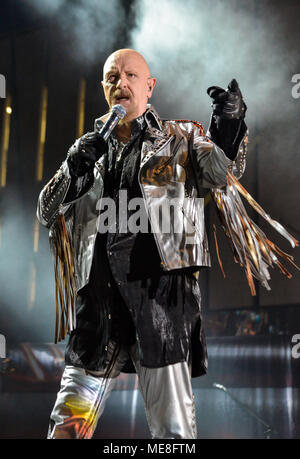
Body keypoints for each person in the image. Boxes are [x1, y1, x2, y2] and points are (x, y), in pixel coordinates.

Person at [37, 48, 248, 439]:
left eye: (132, 75)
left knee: (173, 431)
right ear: (104, 87)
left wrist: (229, 126)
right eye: (112, 77)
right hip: (98, 309)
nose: (121, 83)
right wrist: (72, 167)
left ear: (149, 87)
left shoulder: (179, 139)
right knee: (67, 426)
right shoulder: (89, 151)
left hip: (162, 305)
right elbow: (46, 212)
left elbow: (224, 174)